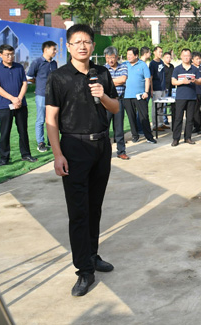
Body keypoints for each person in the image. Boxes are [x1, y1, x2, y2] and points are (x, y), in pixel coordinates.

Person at [45, 24, 119, 297]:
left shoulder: (103, 73)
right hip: (74, 147)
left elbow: (116, 107)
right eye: (77, 42)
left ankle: (93, 255)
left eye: (87, 41)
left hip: (101, 146)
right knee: (78, 212)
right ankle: (84, 271)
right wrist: (57, 154)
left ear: (92, 45)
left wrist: (104, 96)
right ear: (68, 46)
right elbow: (51, 119)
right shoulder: (59, 77)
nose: (83, 46)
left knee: (95, 207)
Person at [0, 44, 37, 165]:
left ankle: (26, 154)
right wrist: (12, 98)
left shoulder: (19, 67)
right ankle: (4, 158)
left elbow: (24, 83)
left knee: (23, 131)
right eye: (7, 54)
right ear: (0, 55)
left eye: (12, 54)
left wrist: (19, 99)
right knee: (5, 132)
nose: (10, 57)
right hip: (4, 106)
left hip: (21, 104)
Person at [26, 40, 58, 152]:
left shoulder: (54, 63)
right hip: (41, 95)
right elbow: (29, 77)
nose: (55, 51)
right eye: (53, 49)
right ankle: (40, 142)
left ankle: (51, 141)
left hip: (53, 95)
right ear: (46, 49)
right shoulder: (37, 62)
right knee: (41, 120)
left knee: (53, 118)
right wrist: (39, 83)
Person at [123, 47, 156, 144]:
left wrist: (146, 92)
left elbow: (147, 79)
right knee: (131, 117)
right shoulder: (125, 64)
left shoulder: (142, 65)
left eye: (130, 55)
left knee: (144, 117)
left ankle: (149, 137)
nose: (128, 57)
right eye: (127, 54)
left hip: (141, 96)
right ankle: (135, 135)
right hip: (127, 96)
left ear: (136, 55)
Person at [171, 49, 201, 146]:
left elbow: (200, 81)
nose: (186, 57)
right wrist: (182, 82)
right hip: (180, 97)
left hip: (192, 97)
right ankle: (176, 138)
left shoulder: (194, 69)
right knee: (178, 118)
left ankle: (188, 137)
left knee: (190, 118)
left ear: (191, 57)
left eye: (188, 56)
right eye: (184, 55)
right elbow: (173, 82)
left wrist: (194, 80)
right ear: (181, 56)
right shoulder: (177, 69)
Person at [104, 46, 130, 160]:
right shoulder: (103, 69)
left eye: (113, 57)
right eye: (108, 57)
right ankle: (105, 152)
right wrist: (113, 82)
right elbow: (103, 83)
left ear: (117, 57)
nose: (110, 60)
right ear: (105, 57)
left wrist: (110, 82)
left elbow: (123, 79)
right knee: (105, 128)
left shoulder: (123, 66)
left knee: (119, 128)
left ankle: (121, 151)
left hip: (119, 100)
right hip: (106, 101)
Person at [149, 46, 167, 131]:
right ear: (154, 52)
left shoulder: (162, 62)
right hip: (156, 88)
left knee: (161, 107)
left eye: (161, 52)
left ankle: (161, 123)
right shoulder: (152, 64)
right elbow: (151, 78)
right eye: (159, 52)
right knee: (155, 107)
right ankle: (155, 125)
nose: (161, 53)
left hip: (163, 88)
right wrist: (151, 90)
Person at [162, 51, 175, 127]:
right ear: (164, 58)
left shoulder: (172, 66)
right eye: (167, 57)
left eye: (170, 57)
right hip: (165, 88)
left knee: (173, 104)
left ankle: (173, 118)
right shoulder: (162, 67)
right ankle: (164, 120)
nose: (169, 59)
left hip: (172, 88)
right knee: (164, 105)